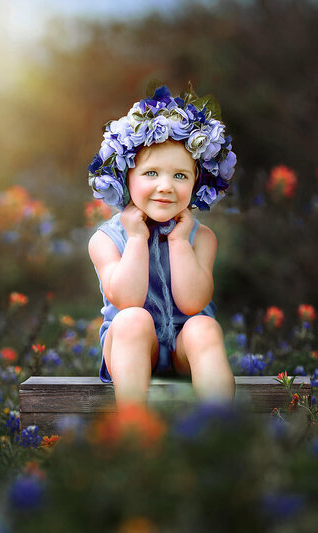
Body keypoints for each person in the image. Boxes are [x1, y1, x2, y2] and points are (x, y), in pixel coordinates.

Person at [86, 85, 237, 408]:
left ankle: (221, 423)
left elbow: (194, 301)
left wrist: (180, 241)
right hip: (131, 349)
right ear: (126, 177)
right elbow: (127, 299)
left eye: (180, 175)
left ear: (197, 181)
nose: (165, 186)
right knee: (132, 320)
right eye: (151, 173)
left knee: (204, 327)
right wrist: (138, 238)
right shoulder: (105, 240)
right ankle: (134, 424)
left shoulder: (201, 238)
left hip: (183, 351)